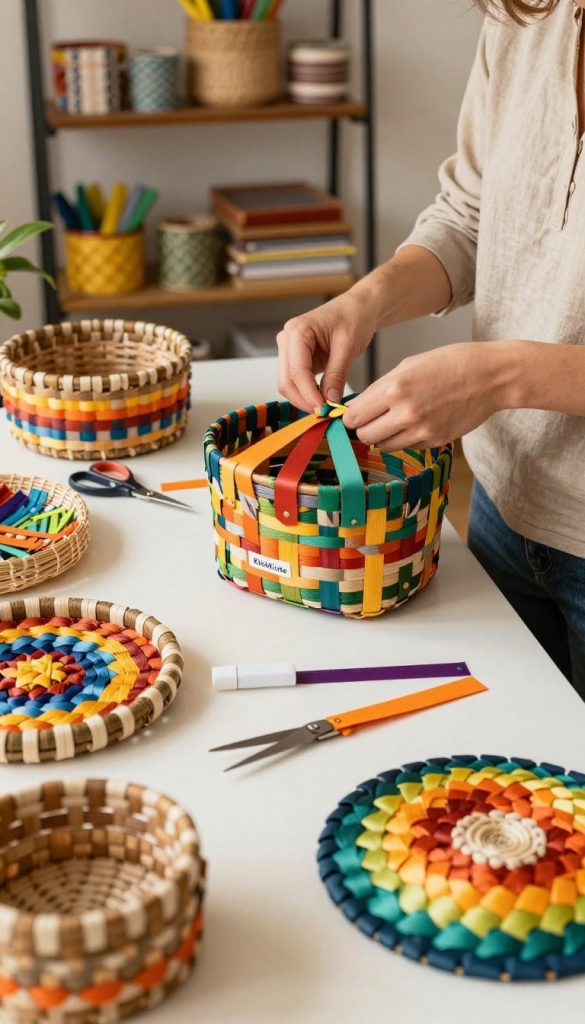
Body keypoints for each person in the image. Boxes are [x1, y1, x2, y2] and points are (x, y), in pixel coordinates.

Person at [276, 0, 585, 697]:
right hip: (503, 507)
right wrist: (365, 300)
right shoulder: (528, 15)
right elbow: (472, 215)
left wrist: (503, 376)